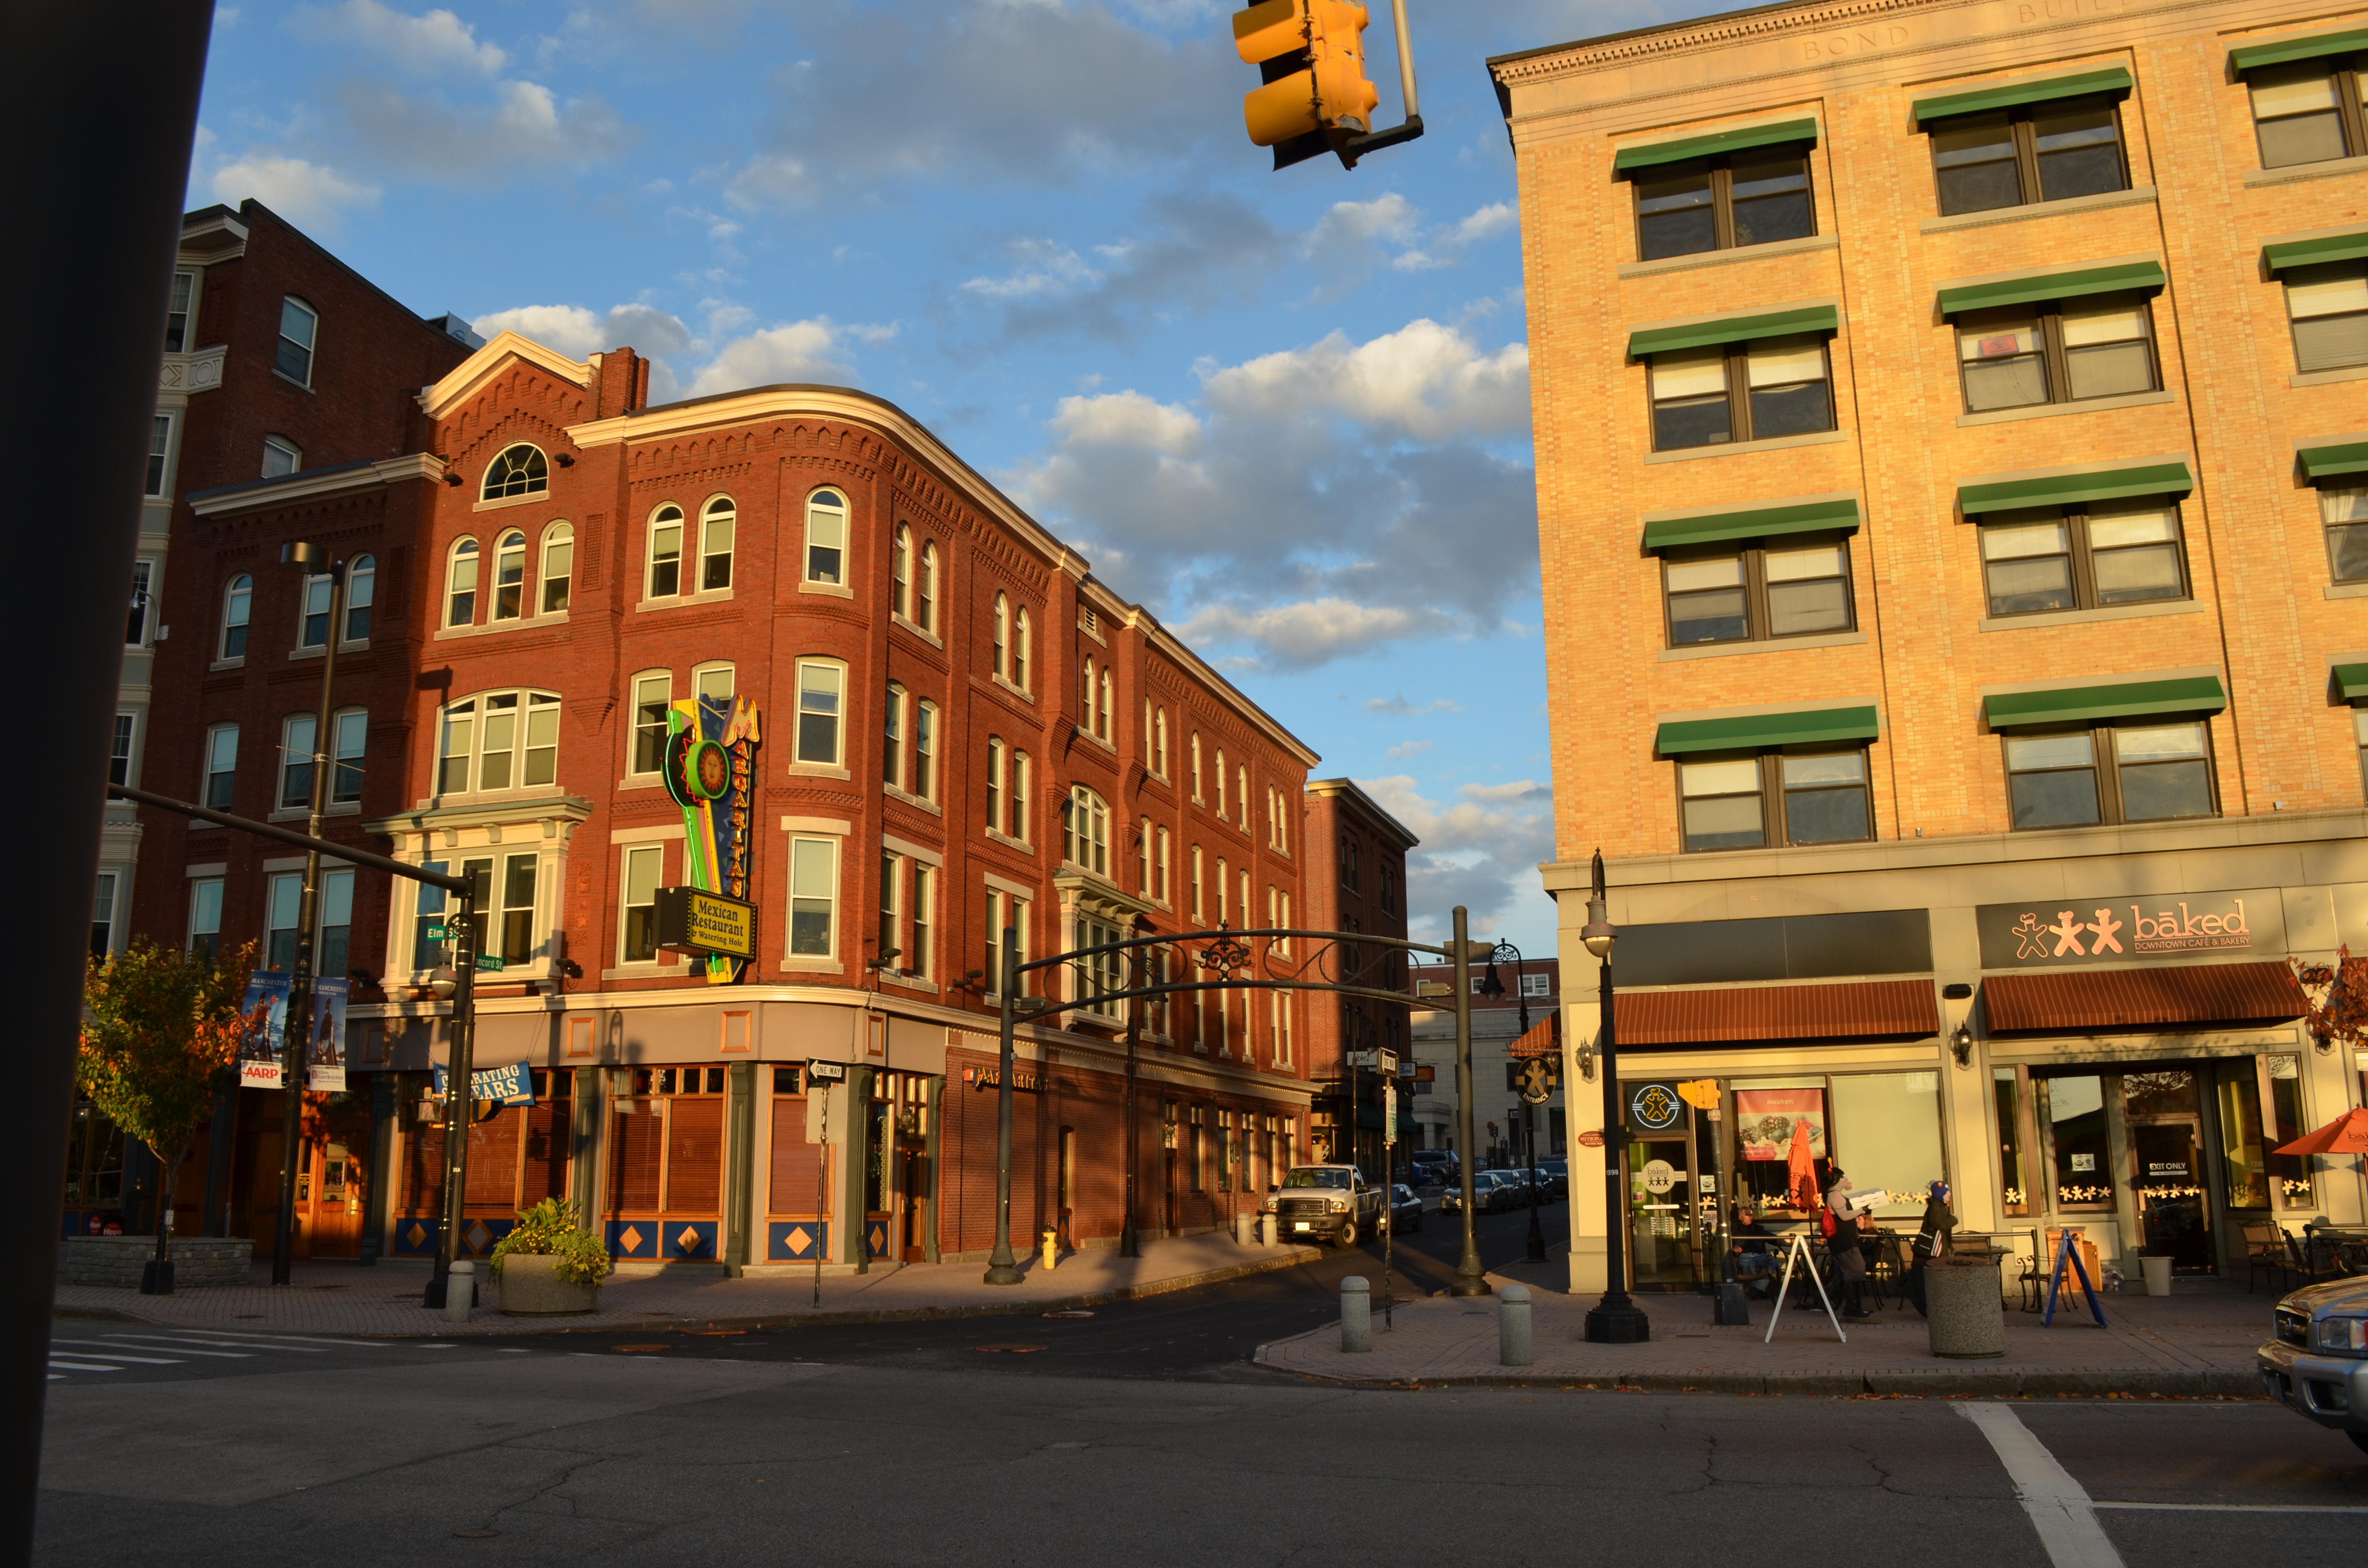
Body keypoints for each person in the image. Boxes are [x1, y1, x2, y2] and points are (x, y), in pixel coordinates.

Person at [1824, 1166, 1875, 1320]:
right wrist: (1861, 1211)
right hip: (1843, 1240)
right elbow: (1845, 1216)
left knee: (1851, 1270)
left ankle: (1827, 1297)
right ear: (1836, 1180)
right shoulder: (1835, 1195)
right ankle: (1851, 1307)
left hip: (1845, 1239)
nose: (1846, 1179)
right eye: (1842, 1177)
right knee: (1856, 1269)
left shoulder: (1837, 1195)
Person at [1907, 1179, 1955, 1316]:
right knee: (1928, 1277)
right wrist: (1954, 1219)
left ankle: (1936, 1306)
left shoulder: (1941, 1206)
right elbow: (1939, 1224)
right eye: (1947, 1192)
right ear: (1940, 1194)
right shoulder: (1935, 1206)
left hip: (1936, 1249)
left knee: (1936, 1277)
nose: (1950, 1194)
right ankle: (1924, 1304)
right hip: (1931, 1250)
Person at [1729, 1204, 1780, 1300]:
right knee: (1747, 1262)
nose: (1750, 1217)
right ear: (1741, 1217)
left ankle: (1756, 1289)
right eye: (1747, 1215)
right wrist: (1733, 1247)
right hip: (1744, 1255)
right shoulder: (1734, 1228)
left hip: (1760, 1256)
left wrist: (1778, 1240)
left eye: (1751, 1215)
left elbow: (1769, 1236)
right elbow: (1726, 1241)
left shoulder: (1758, 1229)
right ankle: (1760, 1290)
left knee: (1773, 1261)